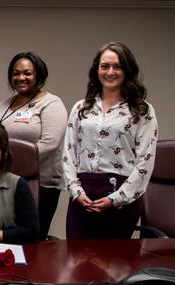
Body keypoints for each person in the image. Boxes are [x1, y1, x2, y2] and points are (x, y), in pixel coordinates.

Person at [63, 42, 158, 239]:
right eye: (105, 66)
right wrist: (76, 191)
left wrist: (115, 199)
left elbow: (144, 161)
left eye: (117, 66)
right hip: (82, 196)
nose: (110, 72)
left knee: (116, 266)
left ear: (128, 70)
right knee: (77, 262)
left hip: (122, 196)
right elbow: (68, 153)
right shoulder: (81, 107)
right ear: (96, 70)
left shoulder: (142, 111)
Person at [0, 52, 67, 240]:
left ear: (39, 75)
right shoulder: (6, 103)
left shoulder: (51, 104)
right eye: (16, 73)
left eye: (27, 73)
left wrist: (7, 163)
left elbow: (49, 144)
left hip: (40, 185)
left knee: (31, 240)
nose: (21, 78)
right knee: (8, 237)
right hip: (6, 182)